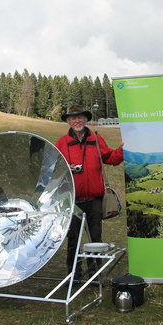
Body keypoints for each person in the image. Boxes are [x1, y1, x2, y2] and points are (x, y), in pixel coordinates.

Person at [55, 105, 123, 281]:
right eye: (73, 118)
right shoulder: (62, 143)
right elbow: (53, 169)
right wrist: (65, 169)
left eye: (80, 117)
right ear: (69, 122)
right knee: (73, 240)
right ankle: (74, 276)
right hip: (73, 201)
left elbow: (111, 158)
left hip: (94, 200)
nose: (77, 120)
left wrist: (123, 149)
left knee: (95, 239)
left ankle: (95, 275)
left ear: (85, 120)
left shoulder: (96, 139)